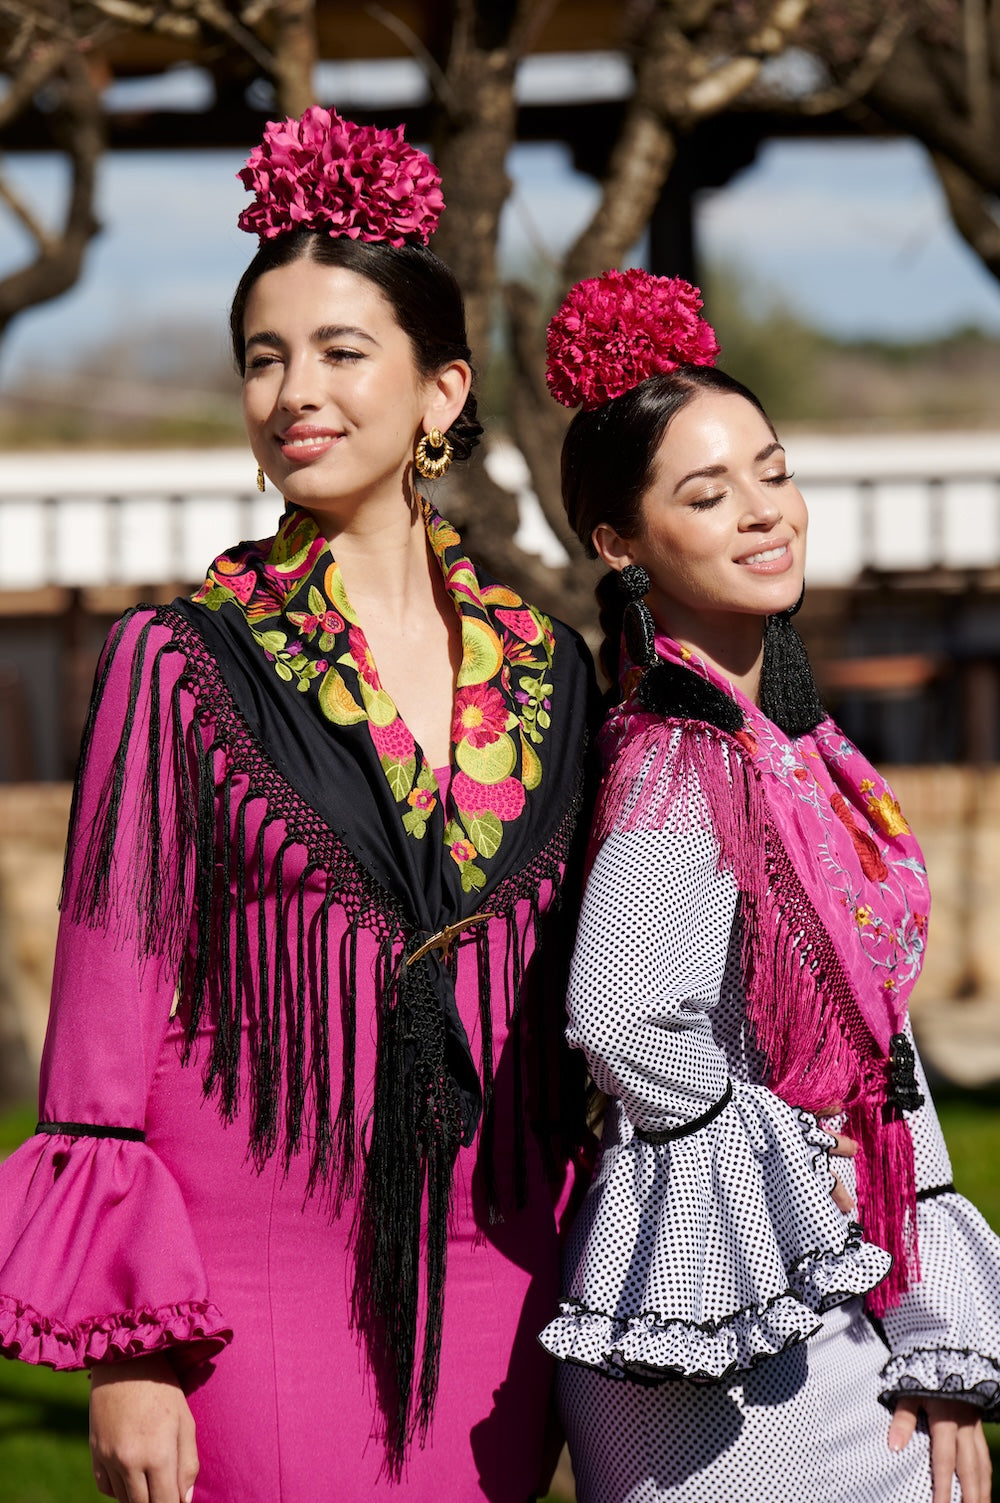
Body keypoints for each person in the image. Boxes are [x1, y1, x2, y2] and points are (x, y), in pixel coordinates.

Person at [0, 107, 594, 1503]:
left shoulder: (552, 667)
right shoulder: (180, 661)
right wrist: (132, 1350)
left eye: (339, 351)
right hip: (257, 1261)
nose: (292, 393)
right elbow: (106, 1014)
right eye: (263, 358)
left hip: (510, 1261)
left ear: (441, 393)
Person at [537, 268, 1000, 1503]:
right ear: (619, 544)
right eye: (705, 493)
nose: (761, 513)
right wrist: (798, 1182)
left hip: (823, 1290)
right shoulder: (680, 755)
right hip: (732, 1315)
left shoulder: (785, 748)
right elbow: (623, 1014)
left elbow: (870, 1041)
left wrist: (932, 1324)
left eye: (772, 472)